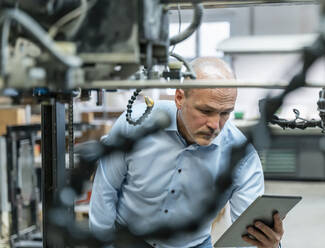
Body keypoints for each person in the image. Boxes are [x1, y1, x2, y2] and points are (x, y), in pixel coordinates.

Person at [89, 57, 284, 248]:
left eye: (225, 113)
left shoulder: (242, 156)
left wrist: (268, 245)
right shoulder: (136, 124)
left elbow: (247, 233)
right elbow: (105, 190)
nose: (215, 125)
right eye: (206, 111)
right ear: (179, 98)